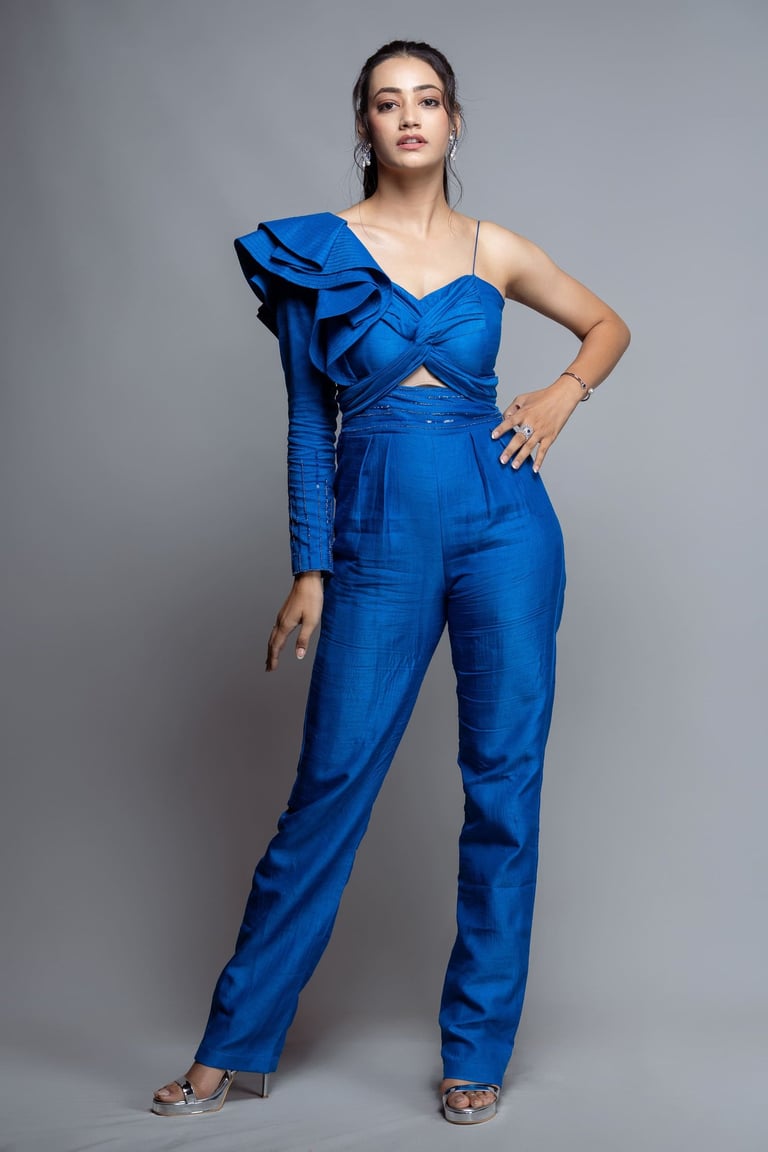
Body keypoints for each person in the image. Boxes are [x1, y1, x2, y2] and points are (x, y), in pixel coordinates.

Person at [152, 39, 630, 1126]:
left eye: (427, 99)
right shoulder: (315, 254)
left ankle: (477, 1051)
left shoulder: (495, 247)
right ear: (363, 125)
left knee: (504, 787)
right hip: (375, 531)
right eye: (385, 101)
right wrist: (309, 565)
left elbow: (608, 327)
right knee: (330, 784)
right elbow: (306, 424)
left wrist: (561, 393)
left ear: (453, 121)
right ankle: (232, 1045)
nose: (408, 116)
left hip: (506, 527)